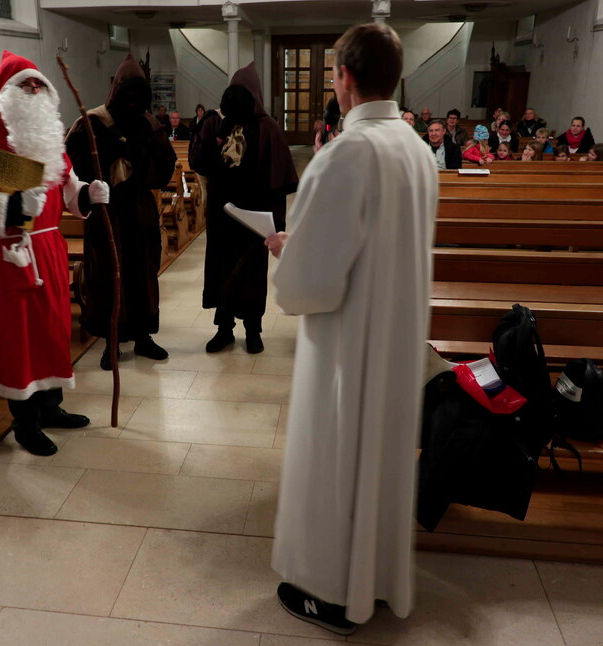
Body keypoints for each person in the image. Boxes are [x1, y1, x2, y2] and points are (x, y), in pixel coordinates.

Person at [265, 22, 437, 635]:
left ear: (344, 77)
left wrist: (287, 250)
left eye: (334, 74)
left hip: (349, 345)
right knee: (382, 462)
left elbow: (311, 282)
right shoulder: (416, 148)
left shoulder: (346, 152)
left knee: (338, 461)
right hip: (395, 340)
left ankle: (333, 595)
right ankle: (380, 582)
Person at [0, 51, 109, 456]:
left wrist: (87, 194)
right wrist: (12, 210)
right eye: (25, 84)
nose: (33, 90)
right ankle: (25, 423)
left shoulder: (50, 135)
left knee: (52, 329)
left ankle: (51, 407)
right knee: (19, 338)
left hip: (50, 249)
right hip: (12, 255)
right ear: (5, 93)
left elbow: (67, 187)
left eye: (39, 84)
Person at [67, 53, 177, 370]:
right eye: (127, 93)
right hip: (106, 213)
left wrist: (138, 156)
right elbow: (74, 166)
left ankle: (143, 337)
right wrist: (99, 171)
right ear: (116, 90)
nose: (132, 101)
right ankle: (111, 341)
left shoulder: (149, 124)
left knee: (142, 273)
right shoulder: (93, 122)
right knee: (107, 277)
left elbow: (164, 165)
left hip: (139, 211)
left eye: (138, 95)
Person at [191, 62, 298, 355]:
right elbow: (199, 161)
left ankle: (253, 330)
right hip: (223, 215)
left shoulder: (268, 128)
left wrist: (274, 226)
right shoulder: (216, 123)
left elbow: (279, 184)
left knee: (251, 275)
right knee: (222, 272)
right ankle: (223, 329)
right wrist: (212, 144)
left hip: (253, 219)